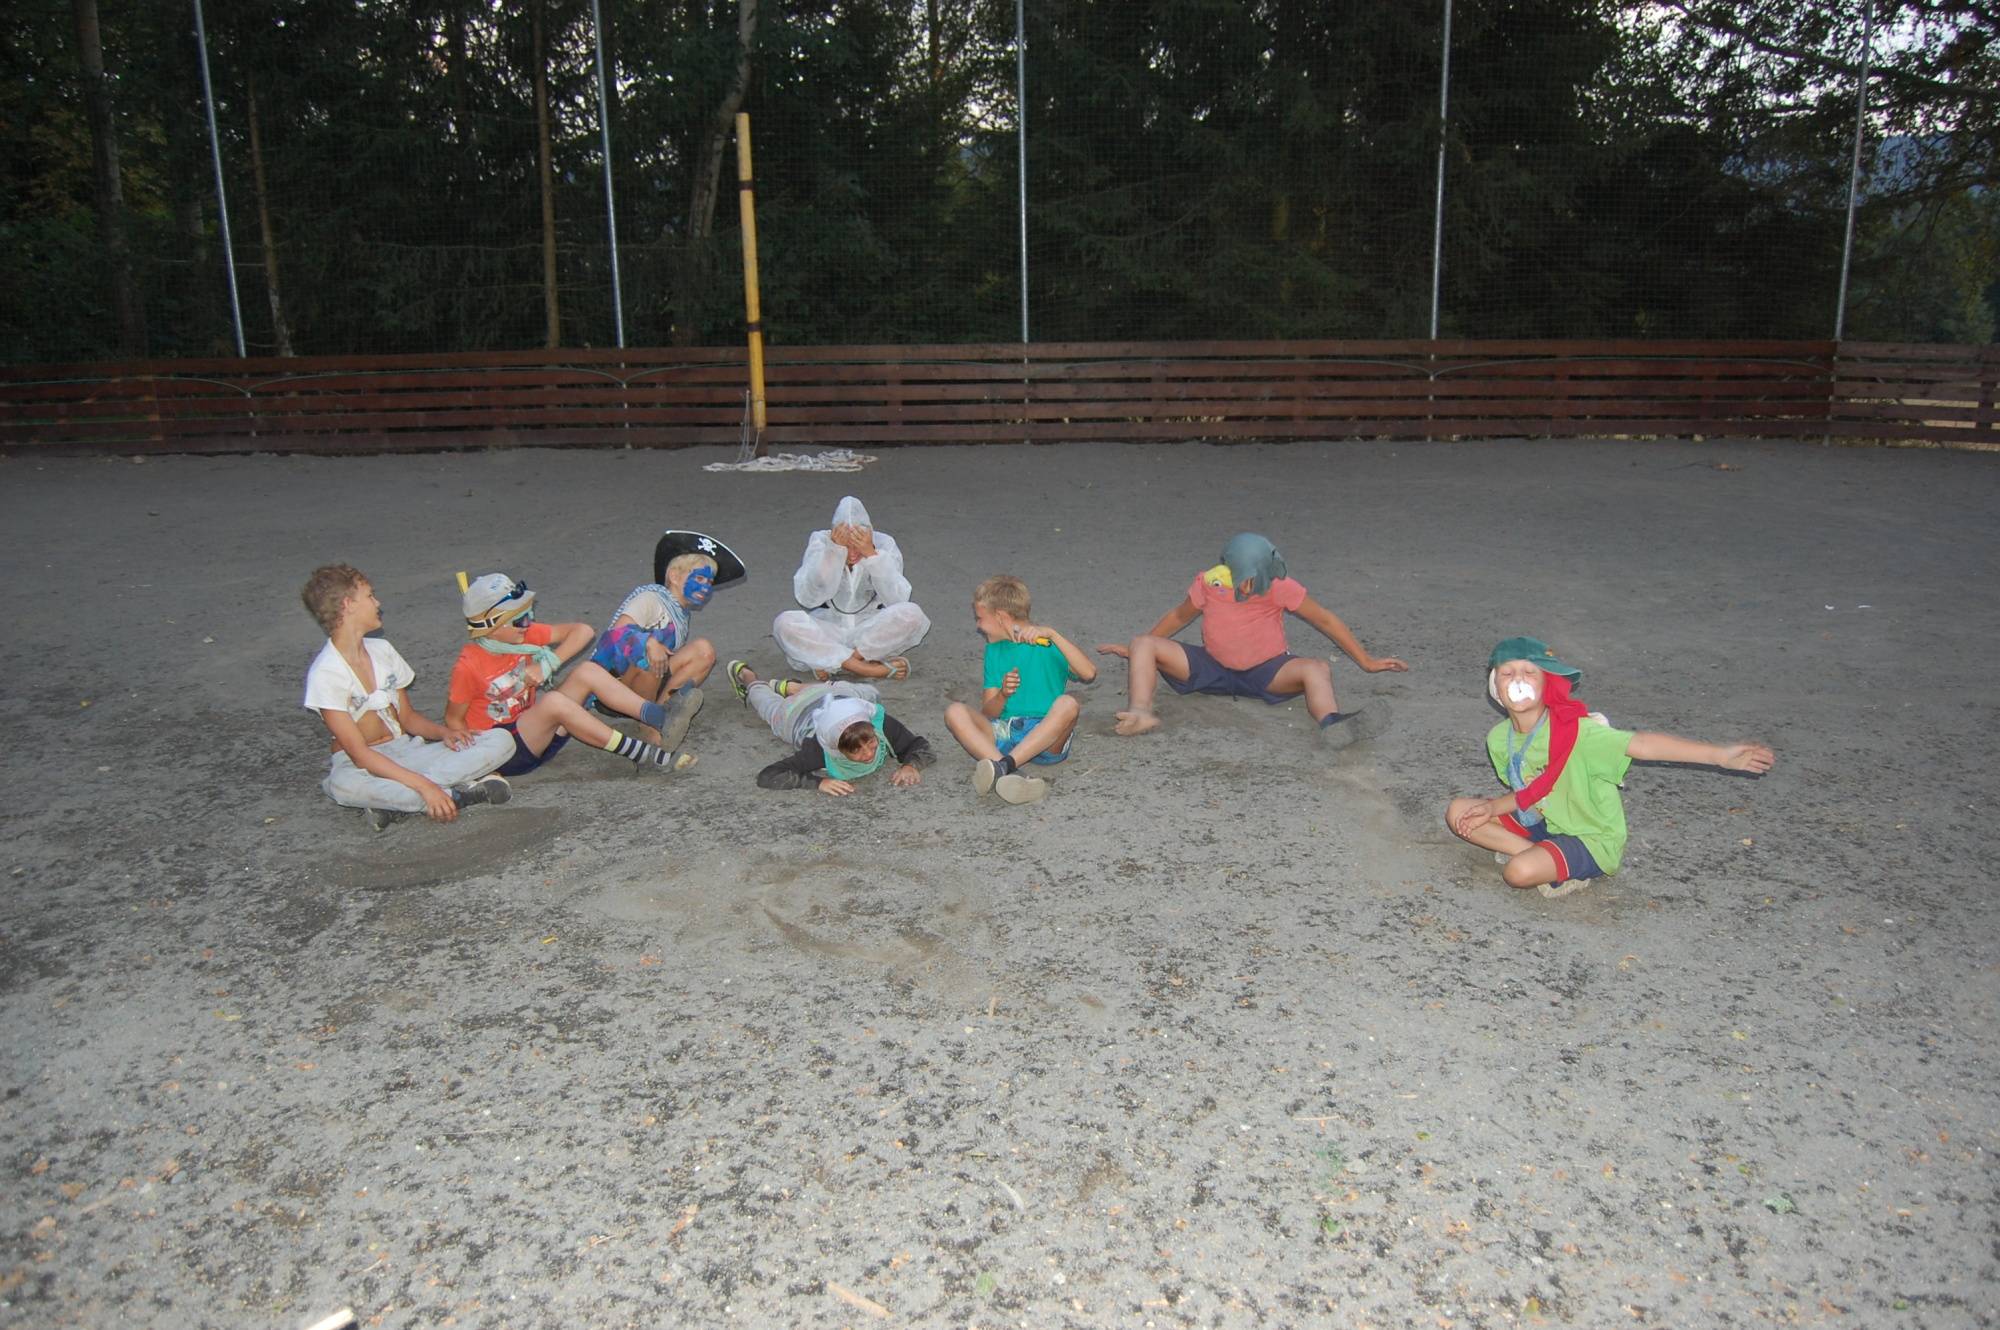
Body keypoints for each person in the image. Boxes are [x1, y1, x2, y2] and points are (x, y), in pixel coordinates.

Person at [1445, 636, 1776, 898]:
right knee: (1459, 812)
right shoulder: (1499, 738)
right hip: (1544, 819)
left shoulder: (1580, 732)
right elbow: (1529, 793)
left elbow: (1643, 745)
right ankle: (1538, 854)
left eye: (1530, 672)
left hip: (1590, 837)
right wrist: (1491, 808)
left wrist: (1719, 755)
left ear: (1548, 683)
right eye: (1507, 673)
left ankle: (1552, 865)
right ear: (1497, 688)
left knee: (1518, 873)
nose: (1518, 679)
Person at [1096, 532, 1407, 745]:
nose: (1247, 587)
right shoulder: (1210, 583)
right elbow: (1179, 616)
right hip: (1211, 666)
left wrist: (1366, 661)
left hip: (1268, 671)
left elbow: (1324, 619)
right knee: (1143, 643)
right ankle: (1141, 712)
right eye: (1242, 578)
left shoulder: (1279, 585)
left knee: (1316, 669)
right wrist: (1136, 653)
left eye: (1253, 579)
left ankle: (1332, 724)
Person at [300, 564, 516, 832]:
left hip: (408, 752)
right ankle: (453, 793)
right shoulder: (326, 673)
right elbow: (359, 754)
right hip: (361, 765)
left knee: (501, 740)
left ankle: (403, 801)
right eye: (369, 596)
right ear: (348, 605)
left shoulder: (382, 650)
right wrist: (424, 785)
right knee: (343, 786)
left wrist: (444, 733)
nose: (377, 602)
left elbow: (407, 717)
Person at [446, 572, 699, 779]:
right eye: (520, 619)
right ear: (491, 626)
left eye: (528, 614)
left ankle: (660, 717)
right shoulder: (468, 666)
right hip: (507, 753)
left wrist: (547, 665)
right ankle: (644, 755)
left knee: (588, 671)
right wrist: (479, 767)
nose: (528, 623)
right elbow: (454, 720)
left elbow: (583, 631)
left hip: (540, 733)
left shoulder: (523, 635)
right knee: (554, 702)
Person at [940, 574, 1097, 805]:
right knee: (954, 711)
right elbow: (989, 713)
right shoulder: (994, 651)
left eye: (980, 618)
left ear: (1000, 617)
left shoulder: (1047, 643)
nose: (978, 626)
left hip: (1047, 737)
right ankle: (1012, 774)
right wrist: (1003, 695)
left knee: (1069, 703)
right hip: (1005, 731)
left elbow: (1089, 673)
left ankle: (1004, 766)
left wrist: (1053, 634)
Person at [773, 495, 930, 680]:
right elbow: (807, 598)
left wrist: (871, 555)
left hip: (869, 632)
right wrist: (833, 553)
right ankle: (868, 669)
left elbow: (897, 599)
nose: (853, 553)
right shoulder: (822, 542)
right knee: (785, 623)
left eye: (857, 546)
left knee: (912, 614)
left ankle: (840, 662)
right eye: (847, 547)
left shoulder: (884, 544)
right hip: (829, 629)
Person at [726, 660, 933, 795]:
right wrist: (817, 783)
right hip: (796, 712)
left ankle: (794, 687)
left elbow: (919, 745)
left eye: (871, 743)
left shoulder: (879, 724)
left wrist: (911, 765)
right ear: (836, 748)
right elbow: (768, 776)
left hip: (839, 695)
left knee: (872, 693)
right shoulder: (818, 748)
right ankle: (749, 678)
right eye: (856, 750)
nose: (869, 754)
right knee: (764, 702)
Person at [590, 530, 743, 705]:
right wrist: (649, 643)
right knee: (650, 655)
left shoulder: (680, 613)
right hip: (613, 686)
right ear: (674, 577)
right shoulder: (650, 599)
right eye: (700, 578)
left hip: (649, 681)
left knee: (703, 650)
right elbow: (615, 635)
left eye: (709, 582)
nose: (706, 588)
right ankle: (648, 716)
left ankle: (663, 710)